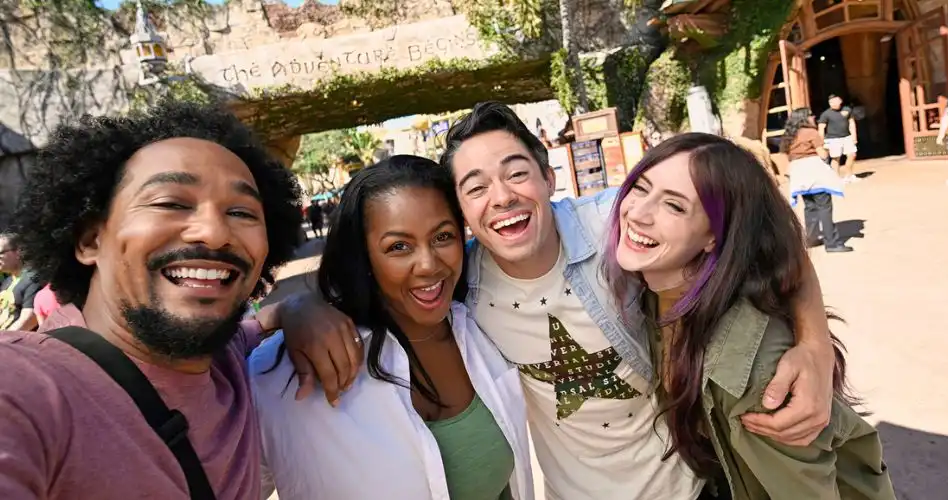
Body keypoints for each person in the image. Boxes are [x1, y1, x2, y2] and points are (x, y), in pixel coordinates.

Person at [279, 102, 841, 499]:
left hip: (693, 485)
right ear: (462, 213)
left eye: (516, 172)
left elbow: (765, 233)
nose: (501, 197)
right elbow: (361, 289)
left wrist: (814, 346)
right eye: (474, 188)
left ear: (548, 177)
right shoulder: (458, 282)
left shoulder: (617, 227)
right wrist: (295, 309)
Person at [0, 100, 354, 498]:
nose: (214, 232)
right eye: (171, 203)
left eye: (241, 212)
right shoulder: (25, 386)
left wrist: (300, 307)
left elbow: (260, 323)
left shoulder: (229, 358)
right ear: (89, 240)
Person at [605, 132, 896, 499]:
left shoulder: (756, 375)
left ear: (714, 235)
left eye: (675, 207)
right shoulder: (656, 292)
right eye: (640, 187)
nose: (639, 213)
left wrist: (814, 345)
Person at [252, 156, 533, 499]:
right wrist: (289, 310)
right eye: (398, 246)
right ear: (363, 256)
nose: (429, 265)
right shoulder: (284, 374)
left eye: (443, 236)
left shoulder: (483, 322)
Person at [783, 108, 852, 253]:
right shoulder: (811, 132)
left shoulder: (789, 135)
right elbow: (821, 154)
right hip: (814, 171)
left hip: (799, 173)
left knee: (810, 207)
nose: (813, 117)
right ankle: (832, 243)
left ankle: (812, 238)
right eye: (810, 115)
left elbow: (787, 156)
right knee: (824, 207)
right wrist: (827, 154)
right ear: (804, 118)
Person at [0, 234, 42, 331]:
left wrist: (3, 341)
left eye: (0, 253)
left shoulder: (34, 278)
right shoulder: (7, 281)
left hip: (16, 343)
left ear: (18, 252)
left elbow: (29, 320)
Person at [818, 94, 859, 183]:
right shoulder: (826, 114)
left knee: (852, 155)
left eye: (835, 101)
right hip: (833, 139)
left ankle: (849, 175)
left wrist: (854, 136)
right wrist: (821, 141)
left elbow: (852, 123)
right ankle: (836, 178)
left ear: (840, 101)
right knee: (835, 158)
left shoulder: (847, 110)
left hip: (847, 137)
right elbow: (821, 128)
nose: (832, 104)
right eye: (831, 102)